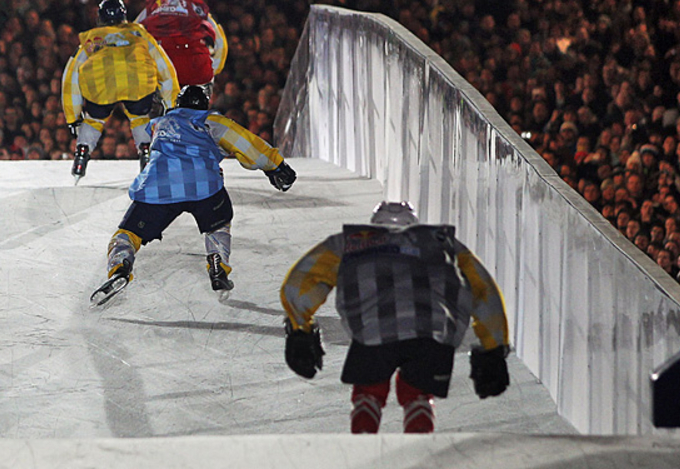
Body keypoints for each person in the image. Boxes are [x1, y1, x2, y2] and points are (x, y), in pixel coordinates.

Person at [279, 201, 510, 434]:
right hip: (433, 330)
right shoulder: (443, 242)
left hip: (372, 330)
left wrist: (300, 329)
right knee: (418, 395)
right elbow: (484, 290)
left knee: (368, 393)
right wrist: (493, 347)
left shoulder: (350, 241)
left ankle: (364, 439)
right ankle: (418, 439)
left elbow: (301, 282)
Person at [93, 85, 296, 304]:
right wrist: (276, 166)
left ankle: (120, 268)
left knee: (128, 233)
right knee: (218, 224)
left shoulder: (160, 122)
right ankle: (218, 263)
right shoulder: (212, 121)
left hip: (158, 188)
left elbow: (151, 130)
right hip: (203, 188)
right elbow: (246, 143)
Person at [61, 0, 180, 180]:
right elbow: (165, 66)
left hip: (102, 84)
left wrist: (73, 118)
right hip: (137, 82)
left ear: (100, 18)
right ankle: (146, 152)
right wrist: (171, 103)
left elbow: (70, 77)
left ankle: (82, 153)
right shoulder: (139, 34)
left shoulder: (91, 39)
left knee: (94, 120)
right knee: (139, 117)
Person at [135, 0, 228, 91]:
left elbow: (134, 32)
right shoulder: (196, 7)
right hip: (196, 70)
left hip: (164, 70)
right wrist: (213, 68)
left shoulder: (152, 8)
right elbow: (220, 42)